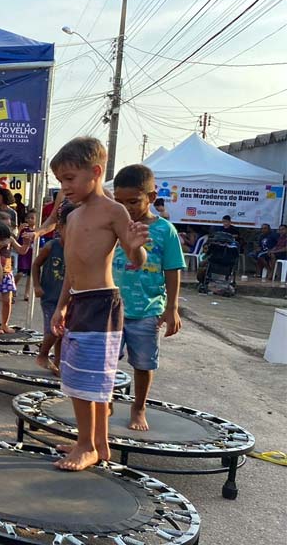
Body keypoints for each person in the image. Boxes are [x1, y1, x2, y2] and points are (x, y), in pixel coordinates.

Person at [49, 137, 148, 471]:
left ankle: (87, 445)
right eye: (61, 181)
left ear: (95, 171)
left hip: (102, 303)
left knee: (87, 380)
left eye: (70, 179)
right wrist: (62, 306)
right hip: (79, 301)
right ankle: (97, 444)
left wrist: (135, 247)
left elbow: (136, 257)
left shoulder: (113, 210)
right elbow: (71, 271)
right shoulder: (74, 217)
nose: (65, 187)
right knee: (78, 373)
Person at [112, 164, 185, 432]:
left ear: (151, 198)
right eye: (119, 202)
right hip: (112, 307)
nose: (127, 207)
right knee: (106, 360)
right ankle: (105, 401)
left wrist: (172, 308)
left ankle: (138, 406)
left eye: (133, 201)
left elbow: (173, 269)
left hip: (147, 309)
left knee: (143, 363)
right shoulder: (116, 225)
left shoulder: (165, 230)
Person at [32, 202, 74, 374]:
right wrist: (36, 285)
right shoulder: (52, 246)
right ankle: (42, 354)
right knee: (53, 331)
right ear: (60, 227)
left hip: (68, 299)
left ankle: (58, 363)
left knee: (62, 333)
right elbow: (35, 265)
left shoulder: (77, 248)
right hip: (49, 297)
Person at [16, 211, 37, 300]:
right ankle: (13, 287)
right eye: (28, 218)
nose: (30, 220)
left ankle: (27, 293)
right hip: (24, 254)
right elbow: (16, 240)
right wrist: (19, 230)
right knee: (20, 273)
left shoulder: (38, 231)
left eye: (32, 218)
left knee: (30, 275)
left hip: (33, 254)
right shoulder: (24, 229)